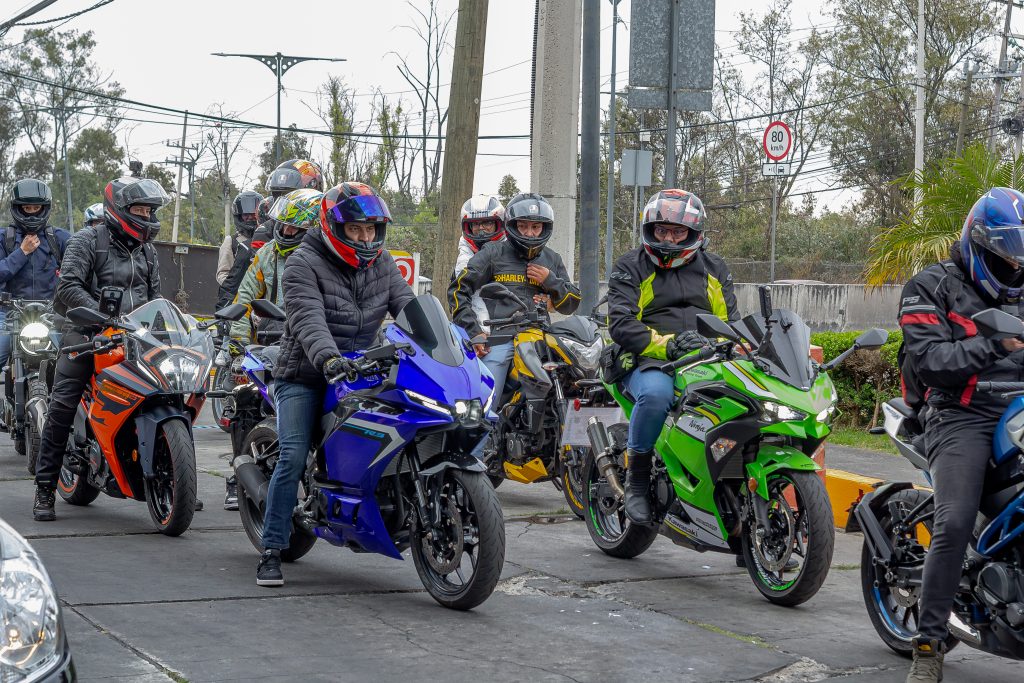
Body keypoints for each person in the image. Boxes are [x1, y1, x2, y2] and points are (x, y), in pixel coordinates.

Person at [255, 181, 413, 586]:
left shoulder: (383, 263)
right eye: (355, 229)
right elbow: (308, 318)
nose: (365, 238)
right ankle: (272, 548)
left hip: (363, 369)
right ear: (333, 227)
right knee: (293, 455)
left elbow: (410, 308)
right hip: (306, 373)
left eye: (371, 229)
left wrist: (443, 342)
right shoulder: (303, 263)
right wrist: (328, 358)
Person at [898, 187, 1024, 683]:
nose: (1014, 269)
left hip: (1017, 408)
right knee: (953, 523)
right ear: (977, 245)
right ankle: (929, 646)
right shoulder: (929, 286)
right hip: (961, 413)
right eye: (1004, 260)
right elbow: (931, 362)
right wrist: (995, 347)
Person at [31, 177, 169, 522]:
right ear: (118, 209)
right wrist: (104, 316)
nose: (146, 216)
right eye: (140, 210)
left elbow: (155, 298)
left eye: (149, 211)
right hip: (86, 333)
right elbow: (68, 288)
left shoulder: (148, 251)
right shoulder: (87, 240)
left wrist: (166, 330)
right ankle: (45, 488)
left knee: (171, 391)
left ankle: (176, 478)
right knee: (63, 404)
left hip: (135, 337)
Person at [606, 189, 738, 526]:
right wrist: (668, 346)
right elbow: (621, 324)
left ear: (694, 233)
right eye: (662, 230)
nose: (668, 239)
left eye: (678, 232)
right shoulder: (630, 266)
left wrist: (719, 344)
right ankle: (637, 478)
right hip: (648, 359)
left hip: (704, 358)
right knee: (656, 395)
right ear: (649, 230)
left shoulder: (715, 268)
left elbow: (731, 323)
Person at [221, 189, 321, 511]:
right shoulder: (266, 255)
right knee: (244, 398)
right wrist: (238, 344)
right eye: (284, 225)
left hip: (318, 348)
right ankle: (238, 479)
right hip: (270, 343)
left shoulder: (326, 258)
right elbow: (245, 298)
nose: (287, 232)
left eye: (296, 227)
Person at [447, 192, 580, 404]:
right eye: (523, 226)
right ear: (512, 225)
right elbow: (458, 290)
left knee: (575, 381)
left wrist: (550, 280)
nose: (529, 233)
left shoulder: (552, 259)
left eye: (535, 227)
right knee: (484, 401)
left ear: (545, 227)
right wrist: (474, 332)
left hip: (541, 338)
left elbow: (571, 303)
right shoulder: (493, 252)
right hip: (501, 339)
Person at [216, 160, 323, 309]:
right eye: (280, 196)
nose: (286, 203)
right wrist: (227, 314)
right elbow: (243, 289)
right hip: (273, 317)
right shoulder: (264, 236)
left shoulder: (329, 239)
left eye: (291, 196)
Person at [0, 179, 70, 374]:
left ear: (44, 208)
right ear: (17, 208)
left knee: (77, 359)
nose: (31, 212)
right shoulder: (4, 238)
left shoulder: (60, 239)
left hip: (53, 313)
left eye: (36, 208)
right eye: (26, 208)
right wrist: (21, 252)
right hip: (10, 314)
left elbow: (80, 272)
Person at [450, 194, 505, 337]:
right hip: (476, 331)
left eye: (487, 223)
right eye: (475, 224)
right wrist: (478, 331)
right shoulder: (464, 258)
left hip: (510, 327)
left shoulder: (511, 250)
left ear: (498, 223)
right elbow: (461, 297)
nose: (481, 229)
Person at [216, 190, 262, 290]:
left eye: (253, 214)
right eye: (246, 214)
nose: (250, 217)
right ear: (239, 216)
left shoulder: (269, 238)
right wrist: (237, 290)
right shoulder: (231, 241)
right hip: (240, 295)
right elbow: (223, 273)